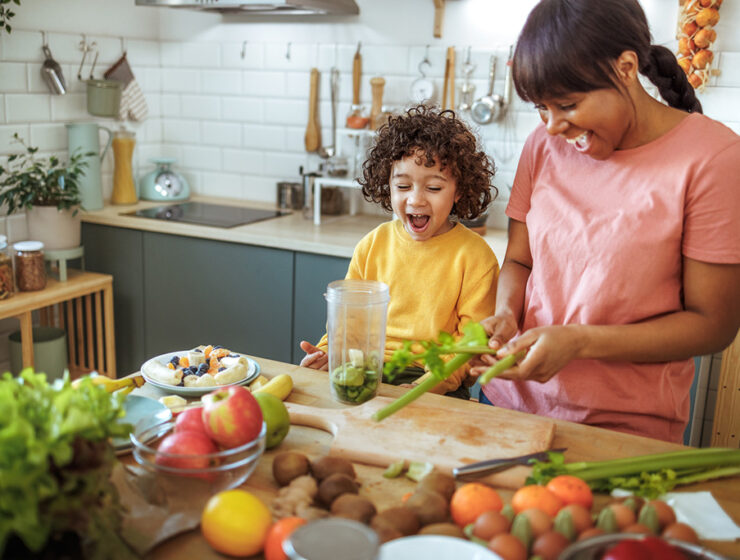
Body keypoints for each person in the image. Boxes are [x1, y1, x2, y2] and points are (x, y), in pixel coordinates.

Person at [470, 0, 740, 442]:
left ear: (627, 68)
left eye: (568, 104)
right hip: (506, 403)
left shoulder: (714, 160)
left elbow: (713, 323)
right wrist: (505, 315)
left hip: (623, 426)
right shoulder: (543, 145)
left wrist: (578, 341)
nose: (552, 125)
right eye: (541, 107)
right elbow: (520, 262)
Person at [300, 104, 499, 397]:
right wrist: (329, 354)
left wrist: (426, 386)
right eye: (403, 186)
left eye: (433, 188)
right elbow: (349, 322)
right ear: (388, 185)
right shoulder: (372, 245)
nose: (416, 200)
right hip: (365, 368)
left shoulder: (476, 257)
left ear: (458, 191)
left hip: (433, 381)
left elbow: (468, 346)